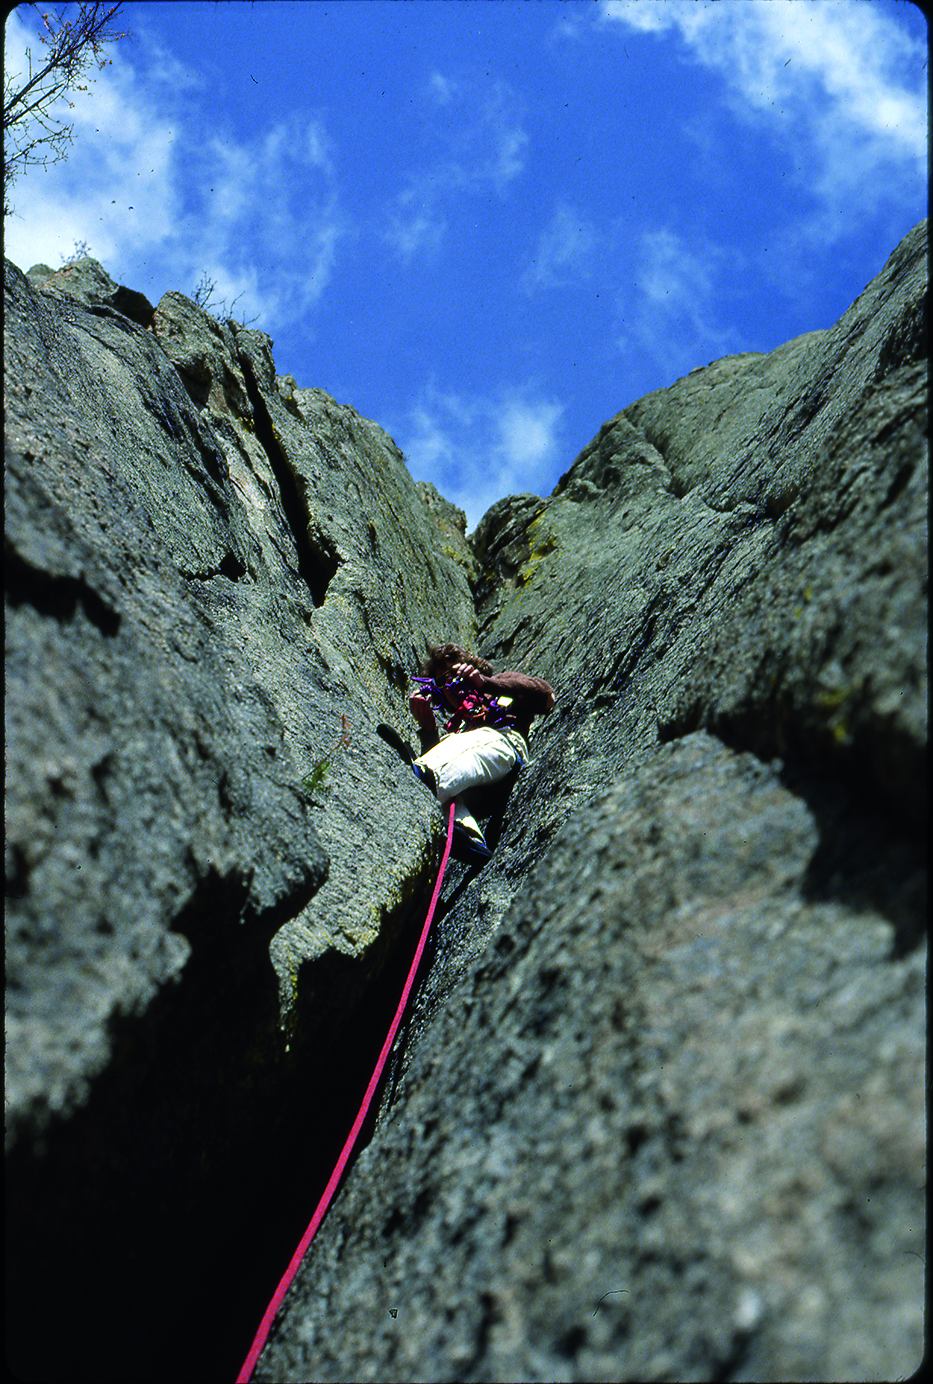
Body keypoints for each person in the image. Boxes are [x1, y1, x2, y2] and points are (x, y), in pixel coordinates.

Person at [408, 642, 556, 860]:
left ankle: (423, 772)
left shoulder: (500, 685)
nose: (449, 683)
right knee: (448, 764)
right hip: (480, 793)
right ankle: (469, 837)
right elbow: (453, 765)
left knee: (461, 746)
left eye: (454, 672)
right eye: (442, 681)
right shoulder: (459, 725)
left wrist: (484, 684)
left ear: (470, 667)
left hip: (504, 744)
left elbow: (547, 698)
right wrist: (429, 729)